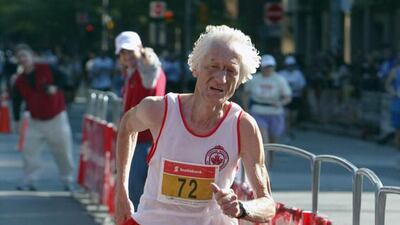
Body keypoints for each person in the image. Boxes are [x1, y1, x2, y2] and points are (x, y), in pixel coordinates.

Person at [114, 25, 275, 225]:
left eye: (231, 71)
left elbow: (267, 204)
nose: (221, 78)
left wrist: (242, 208)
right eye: (213, 66)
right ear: (196, 68)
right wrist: (121, 189)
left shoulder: (243, 126)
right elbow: (127, 127)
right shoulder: (159, 110)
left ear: (240, 79)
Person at [115, 31, 166, 210]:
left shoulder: (147, 68)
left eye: (131, 51)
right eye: (123, 53)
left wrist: (147, 57)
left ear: (140, 50)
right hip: (139, 140)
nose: (127, 56)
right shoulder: (130, 73)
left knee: (136, 195)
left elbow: (150, 69)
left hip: (144, 142)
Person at [11, 44, 74, 191]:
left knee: (63, 151)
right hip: (35, 120)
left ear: (32, 56)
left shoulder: (47, 68)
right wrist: (16, 121)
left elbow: (66, 79)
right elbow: (16, 101)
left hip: (56, 117)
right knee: (29, 151)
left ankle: (67, 180)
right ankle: (29, 180)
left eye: (25, 55)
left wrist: (55, 87)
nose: (23, 59)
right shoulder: (19, 80)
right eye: (19, 57)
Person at [242, 54, 292, 144]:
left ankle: (271, 158)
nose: (268, 68)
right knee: (264, 142)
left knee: (274, 144)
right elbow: (246, 94)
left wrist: (280, 103)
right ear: (261, 67)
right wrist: (246, 110)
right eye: (266, 66)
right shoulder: (254, 79)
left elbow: (287, 97)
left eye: (270, 66)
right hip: (258, 111)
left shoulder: (280, 80)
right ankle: (265, 157)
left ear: (274, 66)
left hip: (275, 112)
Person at [279, 55, 306, 138]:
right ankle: (287, 132)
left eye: (291, 65)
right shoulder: (281, 74)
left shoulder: (298, 74)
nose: (290, 67)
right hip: (285, 97)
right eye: (288, 65)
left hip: (295, 97)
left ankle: (291, 128)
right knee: (286, 116)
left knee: (293, 116)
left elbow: (302, 86)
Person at [384, 59, 400, 150]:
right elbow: (387, 84)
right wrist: (393, 92)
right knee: (398, 128)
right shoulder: (395, 71)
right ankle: (398, 147)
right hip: (397, 102)